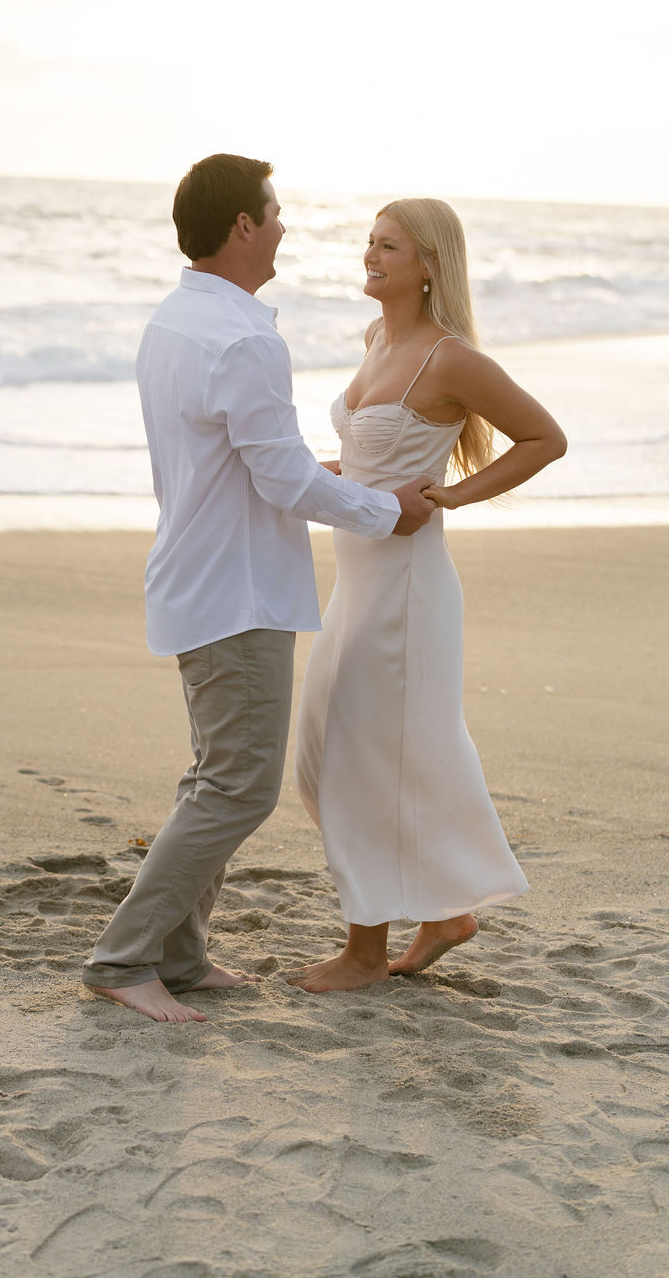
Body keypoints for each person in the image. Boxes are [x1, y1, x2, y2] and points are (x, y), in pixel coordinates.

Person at [81, 155, 436, 1023]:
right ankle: (122, 958)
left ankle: (180, 952)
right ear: (242, 225)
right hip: (234, 591)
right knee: (240, 787)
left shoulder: (174, 321)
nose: (283, 226)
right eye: (274, 212)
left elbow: (242, 464)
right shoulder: (242, 337)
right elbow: (279, 481)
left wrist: (327, 478)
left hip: (198, 574)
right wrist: (385, 510)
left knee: (214, 775)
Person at [290, 197, 567, 993]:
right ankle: (445, 912)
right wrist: (325, 476)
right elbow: (371, 455)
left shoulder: (449, 358)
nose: (370, 257)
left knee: (362, 761)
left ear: (429, 263)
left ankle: (366, 953)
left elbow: (545, 437)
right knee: (326, 756)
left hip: (407, 596)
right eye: (369, 244)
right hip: (358, 584)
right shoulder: (377, 337)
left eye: (388, 246)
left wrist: (453, 498)